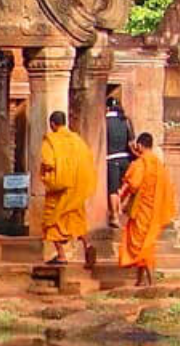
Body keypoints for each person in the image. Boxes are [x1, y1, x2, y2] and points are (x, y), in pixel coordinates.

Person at [116, 133, 177, 286]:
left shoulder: (141, 163)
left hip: (142, 210)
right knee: (145, 242)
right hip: (154, 210)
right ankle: (140, 280)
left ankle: (151, 281)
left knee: (144, 245)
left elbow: (134, 184)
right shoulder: (158, 164)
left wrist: (122, 196)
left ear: (140, 146)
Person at [40, 110, 97, 268]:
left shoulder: (50, 140)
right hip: (75, 189)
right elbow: (87, 161)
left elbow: (48, 162)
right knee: (76, 220)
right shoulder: (77, 140)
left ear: (52, 124)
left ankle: (61, 255)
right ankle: (87, 245)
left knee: (51, 222)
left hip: (58, 190)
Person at [105, 97, 134, 227]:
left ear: (107, 108)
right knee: (123, 187)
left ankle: (115, 216)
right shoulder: (126, 121)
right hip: (125, 158)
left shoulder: (105, 122)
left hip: (111, 158)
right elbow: (131, 142)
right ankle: (121, 208)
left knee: (113, 189)